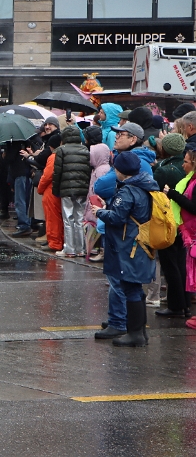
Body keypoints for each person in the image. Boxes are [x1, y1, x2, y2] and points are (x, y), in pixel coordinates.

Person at [92, 151, 159, 347]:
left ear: (120, 171)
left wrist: (100, 212)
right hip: (141, 243)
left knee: (130, 288)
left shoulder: (128, 191)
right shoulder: (146, 184)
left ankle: (135, 334)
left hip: (130, 245)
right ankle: (138, 331)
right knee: (135, 289)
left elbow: (117, 218)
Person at [155, 133, 190, 318]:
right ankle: (185, 303)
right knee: (181, 263)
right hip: (184, 222)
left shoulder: (163, 170)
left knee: (170, 265)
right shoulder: (186, 167)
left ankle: (176, 306)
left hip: (168, 220)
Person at [166, 147, 196, 330]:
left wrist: (173, 194)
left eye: (186, 162)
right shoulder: (190, 179)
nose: (182, 165)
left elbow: (194, 207)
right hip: (189, 233)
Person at [53, 125, 91, 257]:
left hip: (66, 188)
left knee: (68, 219)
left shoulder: (61, 150)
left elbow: (57, 172)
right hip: (82, 188)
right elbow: (88, 171)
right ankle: (80, 249)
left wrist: (56, 189)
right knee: (79, 218)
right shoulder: (85, 149)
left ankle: (69, 249)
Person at [84, 141, 112, 261]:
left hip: (97, 203)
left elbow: (98, 189)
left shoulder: (101, 170)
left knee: (99, 226)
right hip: (95, 202)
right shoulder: (99, 168)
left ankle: (100, 250)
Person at [37, 132, 64, 251]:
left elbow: (47, 176)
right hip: (59, 190)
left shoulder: (53, 157)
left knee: (52, 218)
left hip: (50, 191)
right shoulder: (63, 155)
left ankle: (54, 242)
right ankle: (58, 240)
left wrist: (40, 188)